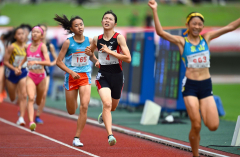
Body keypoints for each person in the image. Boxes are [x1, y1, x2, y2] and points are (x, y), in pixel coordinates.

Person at [148, 0, 240, 156]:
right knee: (196, 124)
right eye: (194, 24)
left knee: (213, 125)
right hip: (190, 87)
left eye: (200, 24)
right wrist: (155, 10)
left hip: (206, 86)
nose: (197, 26)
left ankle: (203, 113)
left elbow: (230, 27)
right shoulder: (182, 42)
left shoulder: (207, 38)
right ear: (188, 25)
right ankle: (196, 154)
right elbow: (161, 33)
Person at [85, 10, 131, 146]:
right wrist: (95, 60)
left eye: (110, 19)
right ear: (101, 22)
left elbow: (128, 58)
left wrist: (110, 51)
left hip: (117, 75)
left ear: (114, 23)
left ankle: (103, 115)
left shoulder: (119, 38)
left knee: (113, 107)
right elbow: (90, 53)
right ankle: (110, 135)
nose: (107, 20)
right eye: (105, 18)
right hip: (103, 75)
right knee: (107, 104)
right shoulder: (97, 39)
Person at [54, 14, 98, 147]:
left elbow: (92, 57)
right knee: (72, 111)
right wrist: (71, 72)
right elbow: (58, 61)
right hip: (71, 78)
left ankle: (77, 137)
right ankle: (73, 104)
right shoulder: (68, 42)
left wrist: (95, 59)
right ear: (72, 29)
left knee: (84, 106)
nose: (80, 27)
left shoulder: (90, 41)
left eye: (81, 24)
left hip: (85, 76)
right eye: (76, 25)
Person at [18, 25, 51, 131]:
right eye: (33, 32)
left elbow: (48, 62)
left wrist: (36, 61)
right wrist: (19, 66)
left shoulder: (42, 46)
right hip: (30, 75)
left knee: (38, 100)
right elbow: (25, 58)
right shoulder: (27, 46)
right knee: (31, 98)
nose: (34, 34)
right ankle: (31, 122)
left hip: (41, 76)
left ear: (41, 35)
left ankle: (37, 104)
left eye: (37, 32)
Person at [4, 27, 28, 126]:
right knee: (13, 98)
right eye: (19, 34)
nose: (21, 35)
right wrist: (15, 69)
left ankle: (21, 118)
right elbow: (5, 61)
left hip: (23, 71)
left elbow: (28, 59)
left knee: (24, 95)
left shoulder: (27, 47)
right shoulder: (12, 47)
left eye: (23, 33)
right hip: (11, 72)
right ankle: (14, 96)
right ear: (15, 36)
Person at [34, 24, 58, 124]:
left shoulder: (49, 46)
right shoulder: (32, 45)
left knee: (43, 94)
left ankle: (38, 115)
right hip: (32, 72)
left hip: (45, 72)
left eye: (44, 31)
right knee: (31, 95)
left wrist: (50, 63)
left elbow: (57, 60)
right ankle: (22, 110)